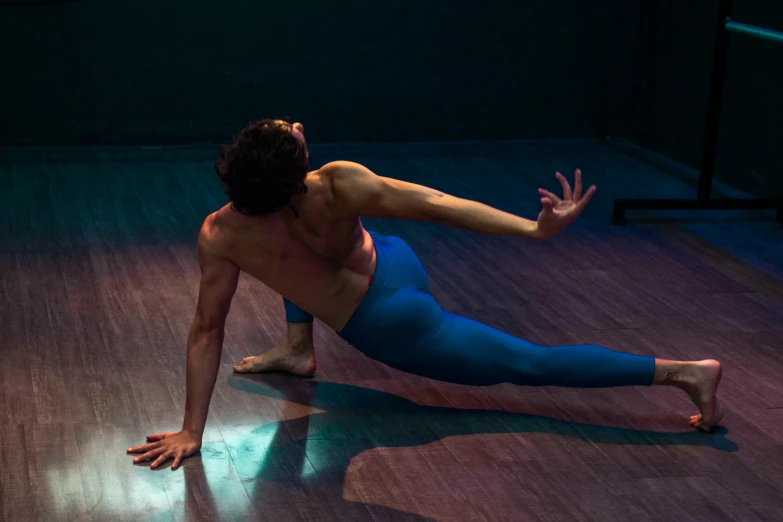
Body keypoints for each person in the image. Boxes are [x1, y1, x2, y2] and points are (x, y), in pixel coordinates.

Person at [127, 119, 724, 470]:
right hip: (394, 269)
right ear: (297, 166)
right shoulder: (338, 183)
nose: (296, 126)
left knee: (528, 365)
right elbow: (437, 206)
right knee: (317, 258)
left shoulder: (223, 234)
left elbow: (208, 329)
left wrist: (192, 431)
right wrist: (534, 229)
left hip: (390, 322)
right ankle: (297, 349)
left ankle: (682, 373)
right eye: (291, 134)